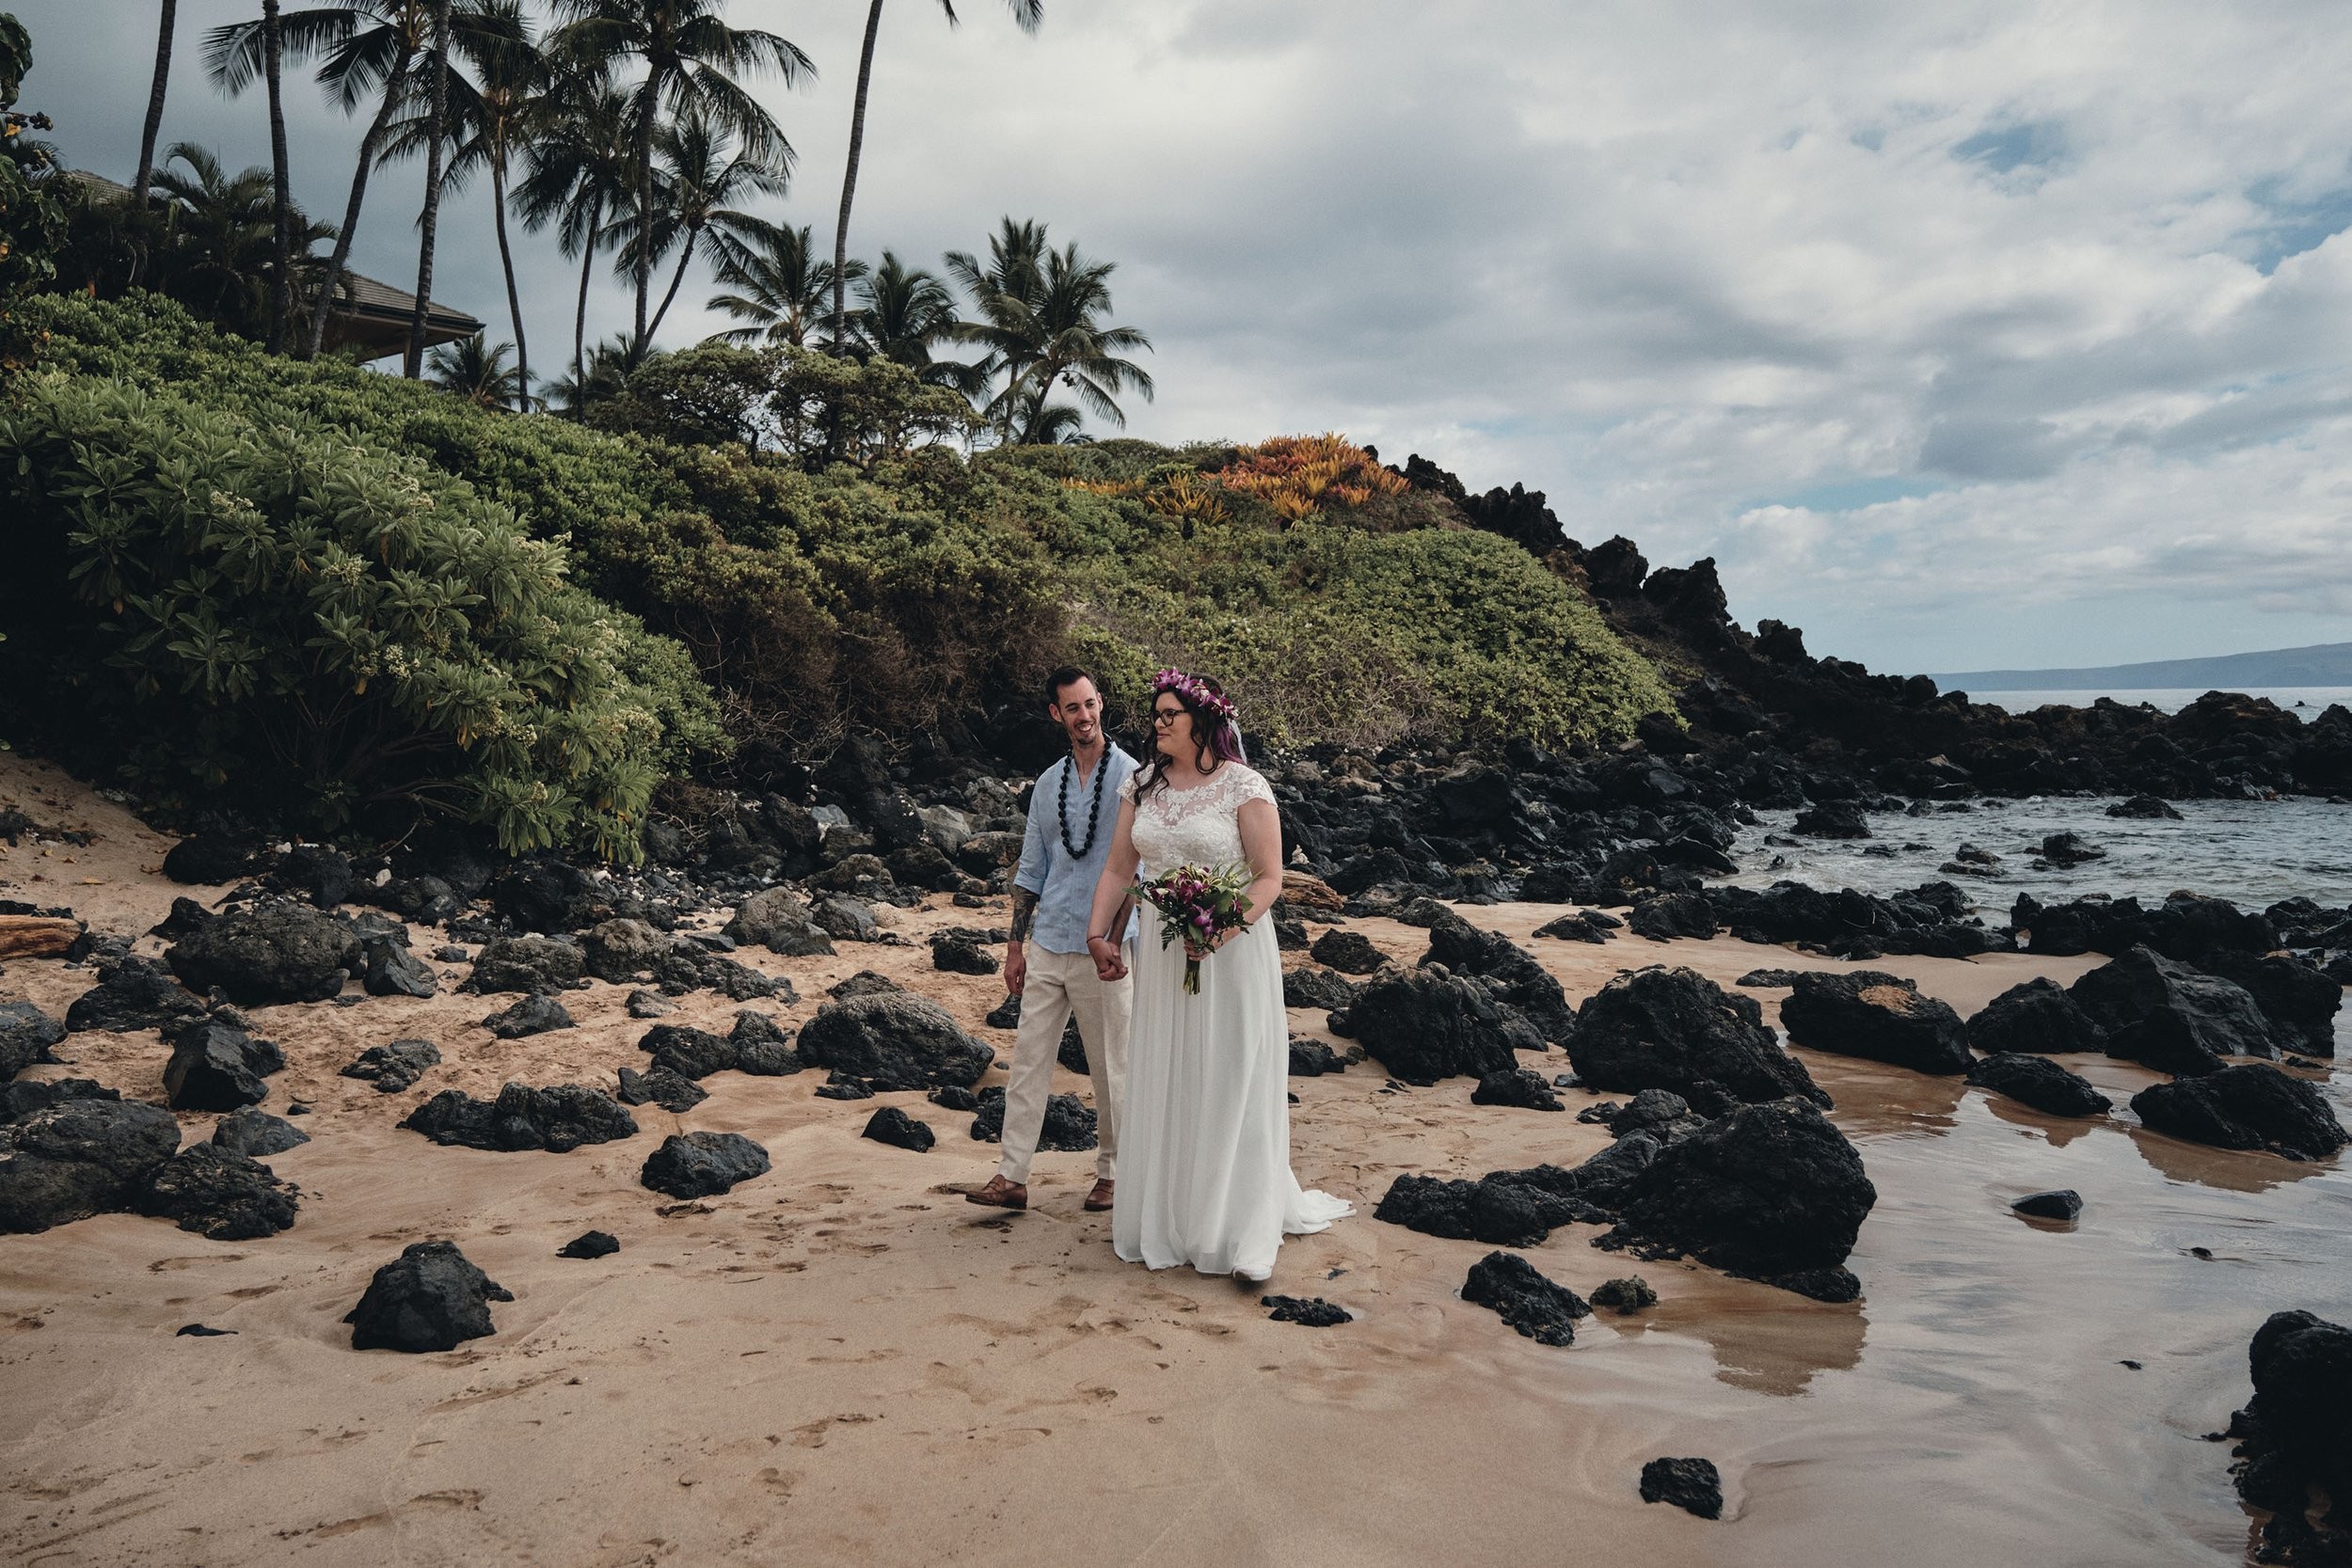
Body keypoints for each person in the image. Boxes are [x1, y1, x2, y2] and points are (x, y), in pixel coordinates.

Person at [1084, 669, 1352, 1280]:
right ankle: (1174, 1213)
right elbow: (1119, 869)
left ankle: (1239, 1227)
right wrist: (1097, 932)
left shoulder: (1244, 786)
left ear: (1204, 719)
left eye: (1170, 713)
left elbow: (1268, 878)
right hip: (1163, 949)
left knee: (1229, 1076)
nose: (1159, 722)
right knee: (1172, 1076)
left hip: (1229, 953)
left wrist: (1223, 927)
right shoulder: (1141, 786)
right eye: (1156, 713)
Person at [967, 666, 1138, 1213]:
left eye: (1090, 705)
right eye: (1072, 708)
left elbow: (1138, 868)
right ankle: (1011, 1175)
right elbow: (1031, 869)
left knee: (1112, 1066)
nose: (1083, 716)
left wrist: (1112, 938)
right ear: (1055, 714)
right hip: (1048, 942)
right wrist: (1015, 946)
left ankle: (1114, 1173)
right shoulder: (1047, 783)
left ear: (1101, 704)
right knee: (1027, 1061)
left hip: (1104, 949)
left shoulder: (1133, 777)